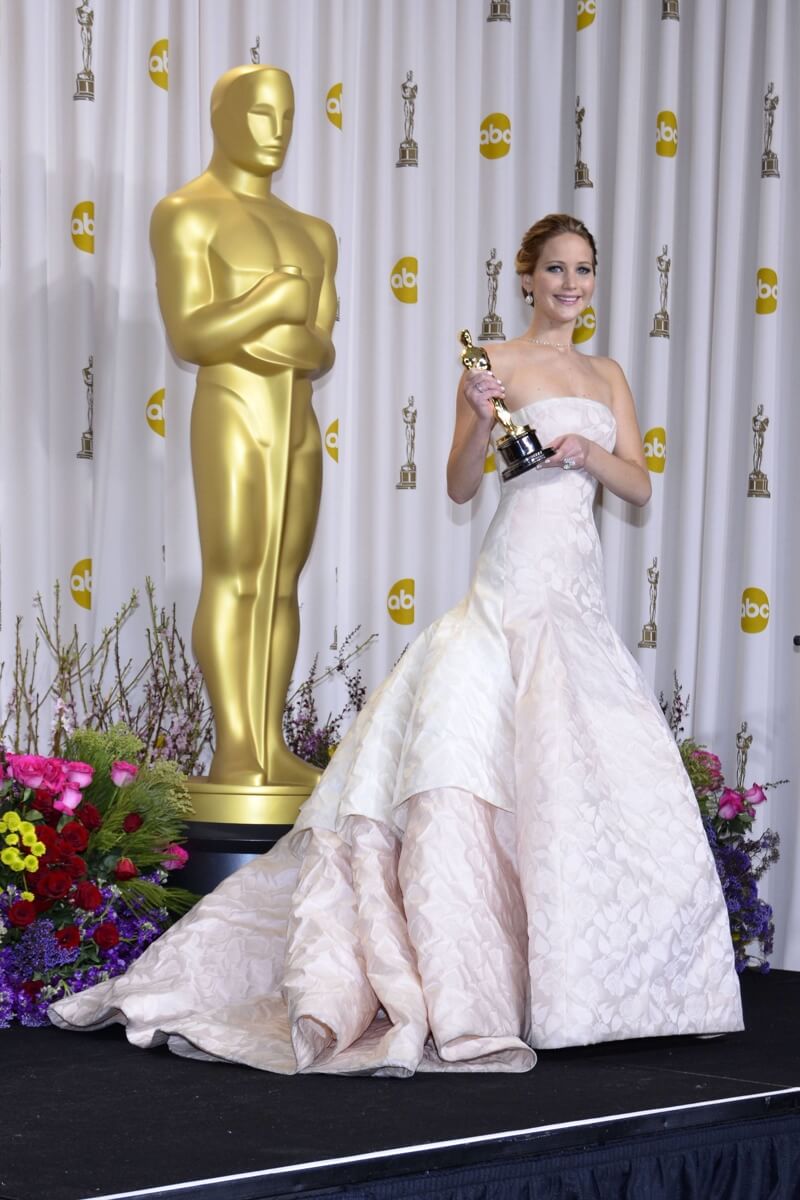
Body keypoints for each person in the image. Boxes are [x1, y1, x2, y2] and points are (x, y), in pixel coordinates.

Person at [50, 214, 743, 1075]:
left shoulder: (608, 375)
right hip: (511, 582)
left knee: (590, 769)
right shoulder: (493, 362)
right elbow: (458, 482)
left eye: (584, 270)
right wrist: (480, 418)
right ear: (527, 277)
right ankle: (471, 983)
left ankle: (618, 992)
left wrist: (585, 454)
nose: (572, 284)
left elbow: (637, 483)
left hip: (578, 595)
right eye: (557, 269)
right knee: (469, 759)